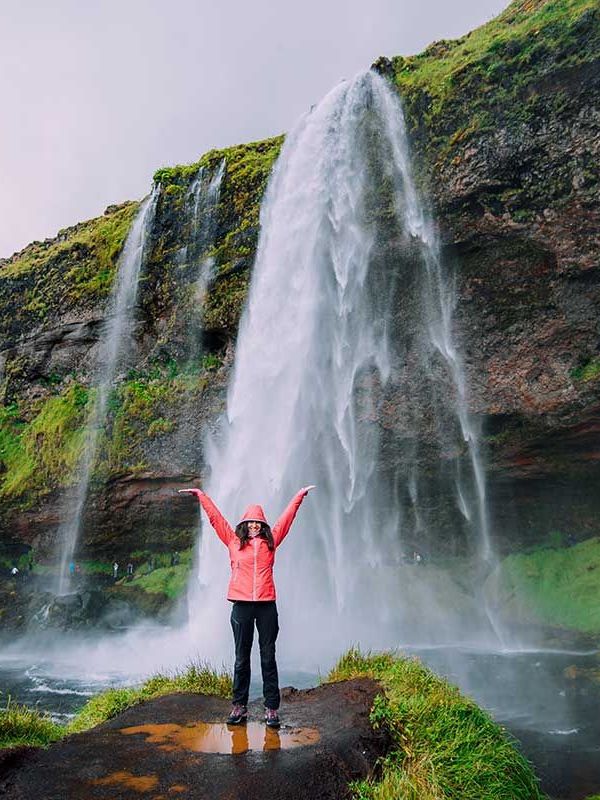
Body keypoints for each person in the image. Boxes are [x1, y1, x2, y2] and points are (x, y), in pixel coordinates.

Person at [179, 484, 315, 729]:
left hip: (265, 606)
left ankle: (271, 708)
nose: (254, 526)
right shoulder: (233, 541)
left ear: (263, 525)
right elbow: (216, 519)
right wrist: (201, 496)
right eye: (250, 522)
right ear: (244, 524)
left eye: (258, 523)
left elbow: (287, 518)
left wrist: (299, 496)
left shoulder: (271, 542)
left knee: (268, 656)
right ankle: (239, 706)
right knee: (241, 658)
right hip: (241, 605)